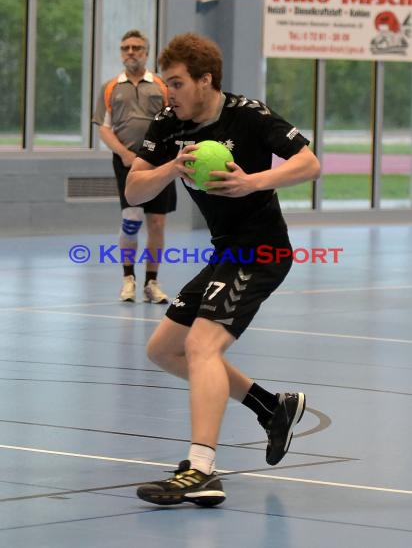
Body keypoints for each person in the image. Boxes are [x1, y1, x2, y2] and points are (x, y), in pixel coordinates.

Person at [125, 32, 321, 506]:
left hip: (263, 250)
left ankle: (201, 469)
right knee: (163, 350)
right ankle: (271, 408)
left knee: (200, 344)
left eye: (176, 83)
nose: (168, 93)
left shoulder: (248, 115)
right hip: (225, 251)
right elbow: (134, 190)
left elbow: (310, 163)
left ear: (205, 80)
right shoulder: (169, 124)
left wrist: (254, 181)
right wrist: (172, 166)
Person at [93, 29, 176, 303]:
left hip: (160, 163)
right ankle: (128, 279)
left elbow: (175, 121)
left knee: (157, 222)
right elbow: (104, 129)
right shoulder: (110, 87)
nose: (131, 52)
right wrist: (125, 154)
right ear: (121, 52)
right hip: (126, 162)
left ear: (147, 52)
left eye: (137, 47)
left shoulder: (162, 86)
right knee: (131, 220)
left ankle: (151, 283)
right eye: (126, 47)